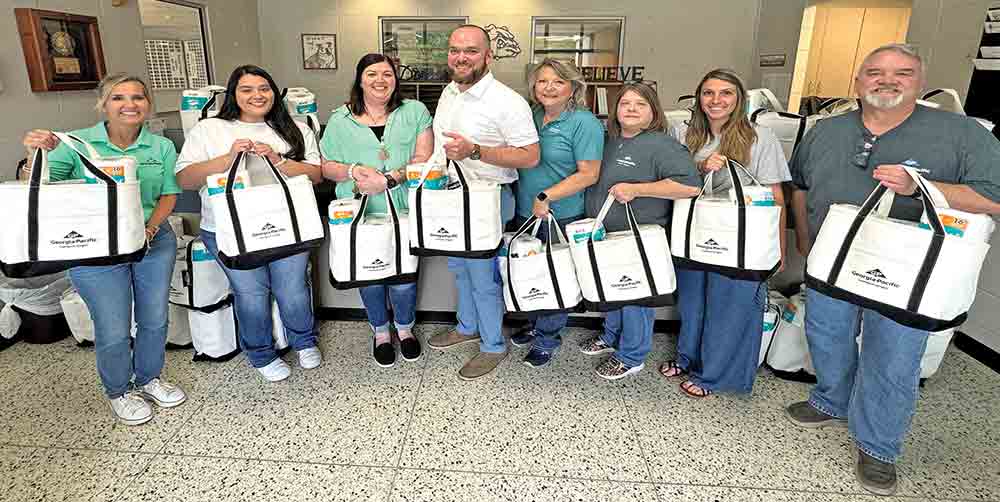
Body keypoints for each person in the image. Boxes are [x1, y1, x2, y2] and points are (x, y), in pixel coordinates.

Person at [786, 44, 1000, 496]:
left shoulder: (962, 133)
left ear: (920, 82)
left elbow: (992, 198)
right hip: (832, 260)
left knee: (893, 357)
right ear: (857, 82)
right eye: (875, 72)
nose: (887, 80)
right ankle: (831, 399)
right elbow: (801, 187)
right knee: (826, 334)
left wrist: (924, 186)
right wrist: (805, 239)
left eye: (902, 73)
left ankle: (879, 448)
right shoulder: (827, 131)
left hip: (907, 269)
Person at [21, 73, 185, 425]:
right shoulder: (75, 143)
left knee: (155, 318)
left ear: (148, 104)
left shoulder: (161, 147)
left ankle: (149, 378)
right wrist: (36, 153)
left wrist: (152, 227)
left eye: (138, 97)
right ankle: (119, 390)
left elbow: (169, 193)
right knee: (112, 325)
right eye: (118, 97)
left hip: (152, 242)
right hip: (96, 248)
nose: (130, 104)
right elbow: (45, 187)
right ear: (103, 104)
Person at [176, 65, 324, 382]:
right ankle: (260, 353)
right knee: (251, 293)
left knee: (293, 289)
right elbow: (185, 179)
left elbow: (316, 175)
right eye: (246, 89)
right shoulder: (209, 129)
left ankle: (304, 341)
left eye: (264, 88)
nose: (257, 95)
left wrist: (279, 160)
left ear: (275, 92)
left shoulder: (296, 128)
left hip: (288, 225)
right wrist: (228, 159)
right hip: (228, 229)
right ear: (233, 94)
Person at [660, 69, 791, 398]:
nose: (716, 100)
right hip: (693, 232)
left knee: (730, 308)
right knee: (692, 303)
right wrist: (699, 168)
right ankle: (687, 358)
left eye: (726, 93)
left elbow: (776, 196)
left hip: (741, 239)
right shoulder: (683, 133)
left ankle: (713, 375)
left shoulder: (761, 138)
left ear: (739, 99)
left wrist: (778, 248)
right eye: (708, 93)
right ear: (698, 98)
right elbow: (670, 179)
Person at [424, 25, 540, 380]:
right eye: (456, 50)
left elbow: (530, 155)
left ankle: (492, 346)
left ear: (488, 56)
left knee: (483, 275)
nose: (462, 57)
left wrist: (476, 150)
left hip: (488, 200)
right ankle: (467, 325)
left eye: (472, 51)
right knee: (459, 270)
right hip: (451, 198)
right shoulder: (449, 92)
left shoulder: (507, 101)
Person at [577, 82, 701, 380]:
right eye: (625, 103)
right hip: (605, 235)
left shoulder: (662, 145)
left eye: (640, 104)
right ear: (615, 110)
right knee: (612, 289)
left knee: (634, 297)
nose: (631, 109)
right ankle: (611, 335)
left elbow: (690, 186)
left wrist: (637, 189)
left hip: (639, 237)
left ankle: (632, 355)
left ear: (653, 111)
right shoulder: (609, 141)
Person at [320, 53, 434, 367]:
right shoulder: (340, 119)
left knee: (404, 275)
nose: (380, 80)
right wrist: (355, 172)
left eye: (387, 74)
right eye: (372, 74)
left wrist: (390, 178)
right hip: (359, 209)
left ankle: (405, 328)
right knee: (369, 274)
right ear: (360, 79)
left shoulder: (414, 111)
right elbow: (326, 166)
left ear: (395, 79)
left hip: (404, 206)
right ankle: (380, 331)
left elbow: (423, 157)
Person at [508, 58, 603, 367]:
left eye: (558, 81)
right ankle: (534, 323)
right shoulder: (531, 116)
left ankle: (548, 338)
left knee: (554, 277)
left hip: (559, 215)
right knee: (530, 273)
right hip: (525, 212)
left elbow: (589, 174)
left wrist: (547, 195)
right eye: (542, 81)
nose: (548, 87)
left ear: (573, 87)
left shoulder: (584, 122)